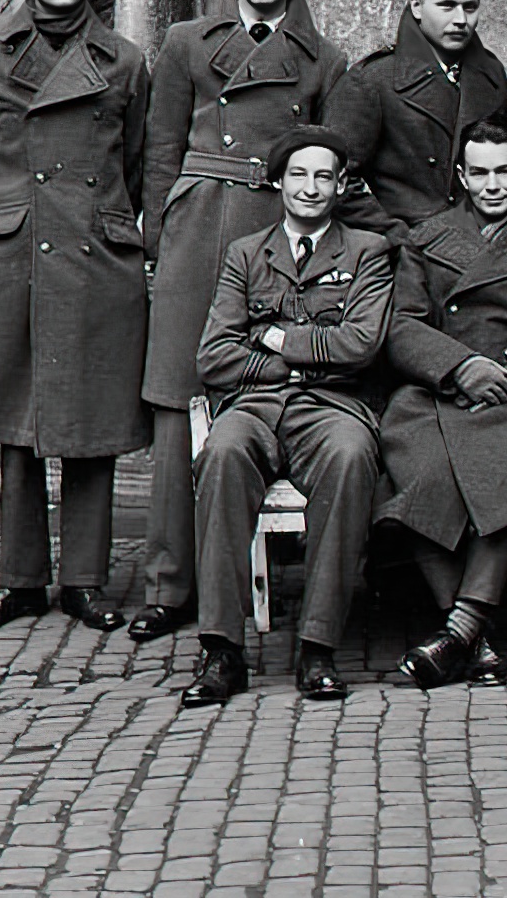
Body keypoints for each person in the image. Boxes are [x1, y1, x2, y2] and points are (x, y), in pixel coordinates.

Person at [133, 0, 350, 644]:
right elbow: (161, 148)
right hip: (196, 226)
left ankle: (264, 572)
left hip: (271, 227)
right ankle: (169, 586)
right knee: (176, 396)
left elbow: (325, 153)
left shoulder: (323, 58)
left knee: (265, 386)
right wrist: (160, 236)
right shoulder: (186, 42)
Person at [183, 127, 395, 705]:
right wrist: (293, 365)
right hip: (253, 405)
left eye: (323, 176)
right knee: (220, 453)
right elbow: (213, 356)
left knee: (352, 456)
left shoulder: (367, 252)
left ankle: (318, 648)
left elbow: (362, 345)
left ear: (342, 184)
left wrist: (274, 336)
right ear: (279, 181)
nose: (310, 187)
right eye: (298, 175)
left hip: (331, 408)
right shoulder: (246, 253)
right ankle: (221, 650)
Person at [377, 116, 507, 689]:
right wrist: (460, 366)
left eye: (504, 172)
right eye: (480, 173)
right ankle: (476, 638)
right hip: (434, 395)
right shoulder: (425, 240)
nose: (493, 185)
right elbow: (401, 326)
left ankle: (459, 632)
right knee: (422, 476)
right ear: (462, 177)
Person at [0, 0, 150, 633]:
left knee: (91, 417)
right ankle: (22, 580)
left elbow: (143, 160)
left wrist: (125, 231)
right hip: (15, 250)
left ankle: (85, 581)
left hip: (94, 251)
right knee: (18, 419)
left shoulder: (122, 61)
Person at [325, 0, 507, 241]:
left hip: (483, 248)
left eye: (470, 7)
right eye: (447, 6)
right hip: (406, 252)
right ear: (416, 6)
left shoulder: (490, 74)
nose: (461, 20)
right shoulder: (372, 81)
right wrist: (397, 235)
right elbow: (332, 177)